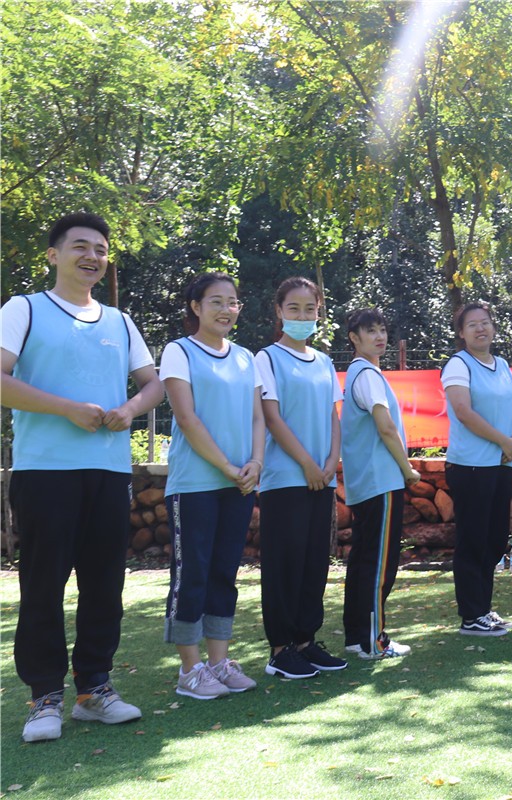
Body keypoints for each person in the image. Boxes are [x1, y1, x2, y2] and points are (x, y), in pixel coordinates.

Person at [1, 212, 163, 742]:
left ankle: (94, 690)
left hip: (108, 471)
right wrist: (67, 408)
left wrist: (130, 408)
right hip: (44, 471)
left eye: (100, 249)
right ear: (54, 255)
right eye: (80, 247)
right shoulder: (24, 309)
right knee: (43, 585)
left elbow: (153, 384)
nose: (92, 256)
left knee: (105, 585)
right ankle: (44, 697)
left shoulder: (119, 321)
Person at [160, 272, 264, 699]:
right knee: (192, 574)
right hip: (195, 483)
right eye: (216, 301)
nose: (226, 309)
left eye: (232, 302)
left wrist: (255, 462)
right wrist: (226, 465)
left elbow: (257, 417)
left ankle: (219, 663)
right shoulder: (179, 351)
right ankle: (190, 670)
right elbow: (186, 418)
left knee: (224, 572)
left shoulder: (245, 357)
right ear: (196, 307)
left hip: (239, 483)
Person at [255, 277, 345, 677]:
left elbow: (333, 417)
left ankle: (306, 641)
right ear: (279, 311)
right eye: (294, 308)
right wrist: (307, 464)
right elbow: (272, 418)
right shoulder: (267, 359)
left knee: (314, 563)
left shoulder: (323, 361)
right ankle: (281, 649)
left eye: (310, 309)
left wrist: (330, 462)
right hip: (285, 478)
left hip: (322, 478)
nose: (302, 315)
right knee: (284, 563)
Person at [340, 308, 421, 659]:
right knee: (378, 565)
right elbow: (385, 427)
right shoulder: (367, 374)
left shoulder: (358, 373)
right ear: (354, 338)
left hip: (366, 483)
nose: (379, 336)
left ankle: (357, 636)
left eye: (382, 330)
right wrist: (407, 468)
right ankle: (373, 641)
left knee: (363, 560)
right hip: (381, 481)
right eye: (370, 330)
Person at [442, 302, 512, 636]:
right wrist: (504, 441)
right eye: (472, 324)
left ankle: (484, 608)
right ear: (461, 333)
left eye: (485, 322)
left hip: (500, 464)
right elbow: (464, 411)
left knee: (495, 539)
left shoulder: (502, 365)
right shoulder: (458, 365)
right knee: (473, 540)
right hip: (470, 466)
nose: (480, 328)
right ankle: (471, 615)